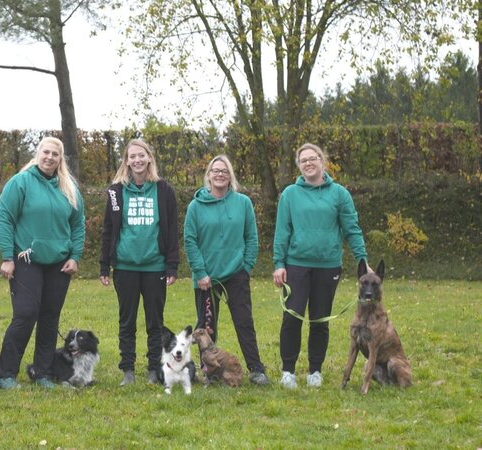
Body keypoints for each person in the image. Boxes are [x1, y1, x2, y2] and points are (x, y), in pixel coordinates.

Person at [272, 143, 368, 389]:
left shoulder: (339, 194)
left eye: (312, 158)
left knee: (320, 320)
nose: (308, 163)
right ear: (299, 165)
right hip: (296, 266)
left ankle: (315, 371)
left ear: (322, 161)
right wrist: (279, 263)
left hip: (328, 267)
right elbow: (282, 232)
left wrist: (363, 262)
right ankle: (288, 371)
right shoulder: (290, 194)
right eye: (303, 160)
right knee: (292, 318)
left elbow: (352, 230)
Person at [0, 136, 86, 389]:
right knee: (25, 314)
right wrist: (7, 257)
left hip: (59, 263)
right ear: (38, 154)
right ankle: (5, 373)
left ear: (60, 159)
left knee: (50, 317)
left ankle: (42, 372)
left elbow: (78, 224)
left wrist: (75, 256)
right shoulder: (20, 182)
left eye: (55, 154)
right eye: (46, 152)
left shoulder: (69, 187)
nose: (49, 157)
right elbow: (5, 219)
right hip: (27, 259)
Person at [183, 154, 270, 386]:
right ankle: (209, 372)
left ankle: (256, 369)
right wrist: (200, 272)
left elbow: (251, 237)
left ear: (230, 176)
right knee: (206, 328)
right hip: (206, 278)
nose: (220, 174)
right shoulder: (195, 206)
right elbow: (190, 240)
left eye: (224, 171)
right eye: (216, 170)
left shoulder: (243, 203)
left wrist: (246, 267)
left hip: (235, 274)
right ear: (208, 176)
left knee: (244, 322)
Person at [99, 138, 179, 386]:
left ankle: (154, 369)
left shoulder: (164, 190)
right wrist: (104, 265)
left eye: (141, 155)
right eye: (132, 156)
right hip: (125, 267)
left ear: (149, 158)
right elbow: (108, 230)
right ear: (126, 161)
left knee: (155, 323)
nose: (137, 160)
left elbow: (172, 230)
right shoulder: (116, 192)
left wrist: (172, 265)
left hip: (155, 267)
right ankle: (128, 370)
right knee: (127, 322)